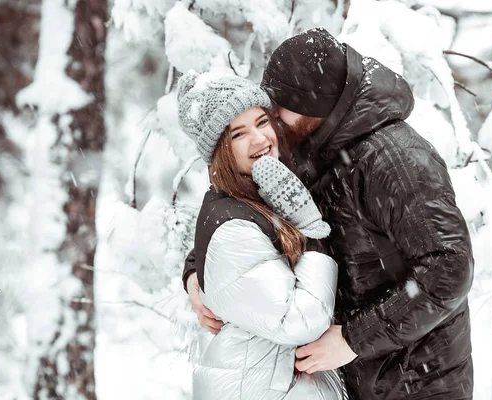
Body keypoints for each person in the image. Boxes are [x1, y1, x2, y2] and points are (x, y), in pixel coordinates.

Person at [189, 27, 475, 399]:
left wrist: (355, 338)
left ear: (311, 104)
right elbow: (248, 212)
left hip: (418, 383)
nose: (272, 117)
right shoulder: (310, 146)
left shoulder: (395, 160)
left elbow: (448, 269)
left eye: (278, 106)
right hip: (356, 379)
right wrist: (197, 272)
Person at [177, 71, 345, 400]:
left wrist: (191, 273)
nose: (260, 139)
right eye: (239, 134)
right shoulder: (233, 221)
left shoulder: (259, 192)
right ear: (220, 151)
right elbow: (298, 319)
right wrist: (312, 232)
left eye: (262, 122)